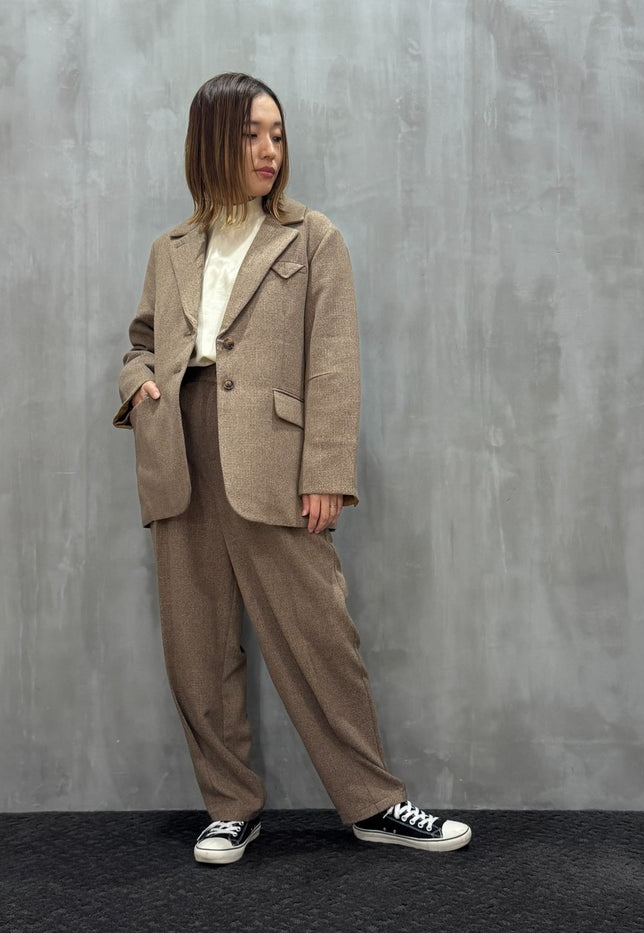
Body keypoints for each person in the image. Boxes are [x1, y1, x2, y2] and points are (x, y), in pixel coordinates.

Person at [114, 72, 471, 865]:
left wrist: (326, 471)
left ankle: (374, 802)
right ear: (211, 142)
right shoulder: (170, 249)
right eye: (250, 134)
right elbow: (140, 339)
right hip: (178, 449)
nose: (269, 149)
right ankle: (230, 807)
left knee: (318, 636)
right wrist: (136, 383)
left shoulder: (313, 238)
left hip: (273, 458)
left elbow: (334, 363)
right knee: (197, 647)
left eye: (276, 133)